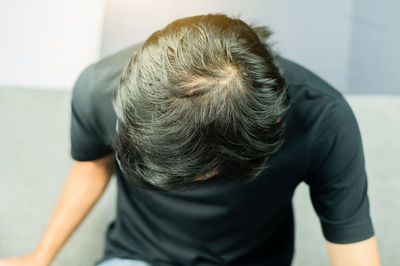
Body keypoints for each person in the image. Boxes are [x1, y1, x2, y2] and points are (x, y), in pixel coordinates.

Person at [0, 13, 381, 266]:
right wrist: (40, 256)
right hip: (139, 257)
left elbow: (352, 243)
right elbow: (93, 164)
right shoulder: (100, 87)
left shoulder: (324, 117)